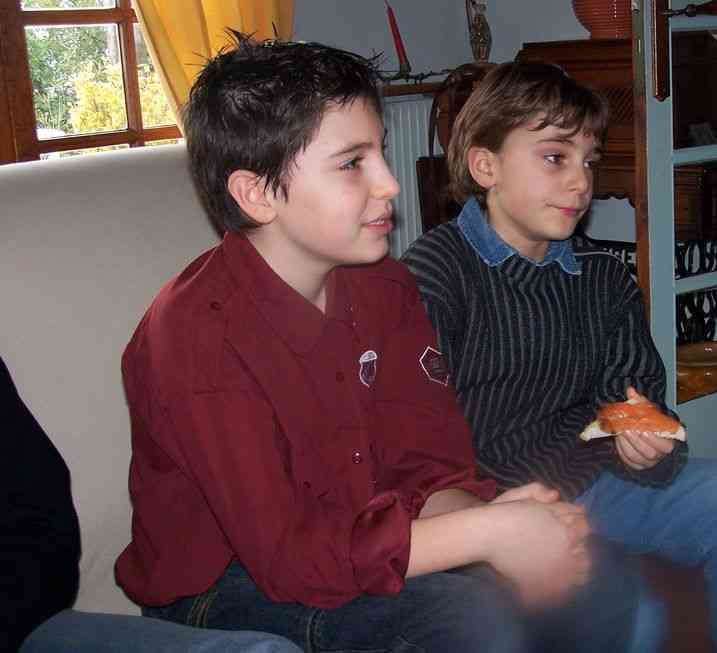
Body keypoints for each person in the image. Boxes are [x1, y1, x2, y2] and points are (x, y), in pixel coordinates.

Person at [115, 33, 652, 653]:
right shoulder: (196, 340)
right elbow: (289, 558)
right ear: (256, 194)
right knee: (467, 619)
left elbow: (425, 467)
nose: (390, 184)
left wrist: (499, 519)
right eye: (352, 164)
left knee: (601, 580)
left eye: (380, 154)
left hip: (363, 532)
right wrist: (487, 535)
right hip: (222, 585)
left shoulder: (384, 285)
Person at [401, 61, 717, 653]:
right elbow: (413, 438)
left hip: (594, 478)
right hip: (492, 505)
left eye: (589, 161)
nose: (580, 182)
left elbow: (634, 395)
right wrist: (498, 521)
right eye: (554, 157)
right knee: (639, 619)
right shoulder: (435, 274)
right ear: (486, 166)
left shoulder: (602, 277)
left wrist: (649, 446)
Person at [0, 356, 302, 653]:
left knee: (263, 650)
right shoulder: (192, 340)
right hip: (208, 580)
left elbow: (40, 522)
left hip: (20, 621)